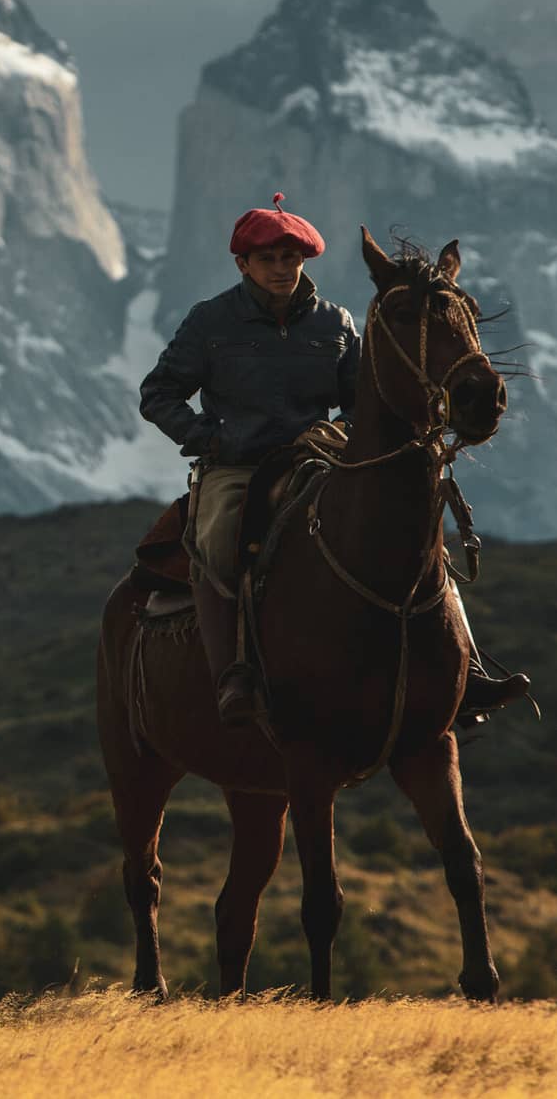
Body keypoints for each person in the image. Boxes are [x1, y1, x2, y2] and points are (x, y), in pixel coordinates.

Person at [139, 199, 361, 727]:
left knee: (399, 527)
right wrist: (209, 441)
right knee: (216, 542)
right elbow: (159, 393)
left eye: (292, 258)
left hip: (320, 465)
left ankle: (460, 673)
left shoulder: (337, 324)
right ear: (243, 264)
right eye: (269, 259)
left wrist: (340, 431)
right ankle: (233, 673)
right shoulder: (210, 321)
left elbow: (361, 403)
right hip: (237, 468)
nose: (283, 268)